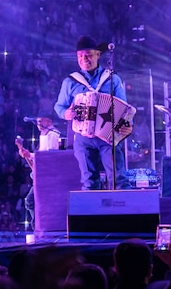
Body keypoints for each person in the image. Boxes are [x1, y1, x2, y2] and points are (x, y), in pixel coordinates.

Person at [55, 35, 132, 190]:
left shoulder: (112, 79)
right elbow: (59, 107)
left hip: (108, 136)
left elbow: (124, 109)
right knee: (89, 181)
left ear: (98, 55)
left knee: (118, 179)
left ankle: (124, 212)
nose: (84, 59)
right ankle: (91, 213)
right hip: (83, 139)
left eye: (88, 55)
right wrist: (66, 114)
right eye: (80, 56)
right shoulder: (70, 82)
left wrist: (128, 126)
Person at [17, 111, 61, 229]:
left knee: (31, 201)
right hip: (43, 175)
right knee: (31, 202)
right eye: (37, 122)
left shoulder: (53, 135)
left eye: (41, 121)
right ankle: (38, 226)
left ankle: (39, 227)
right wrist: (28, 155)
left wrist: (30, 155)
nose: (38, 124)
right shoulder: (45, 135)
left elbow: (49, 156)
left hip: (49, 176)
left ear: (49, 121)